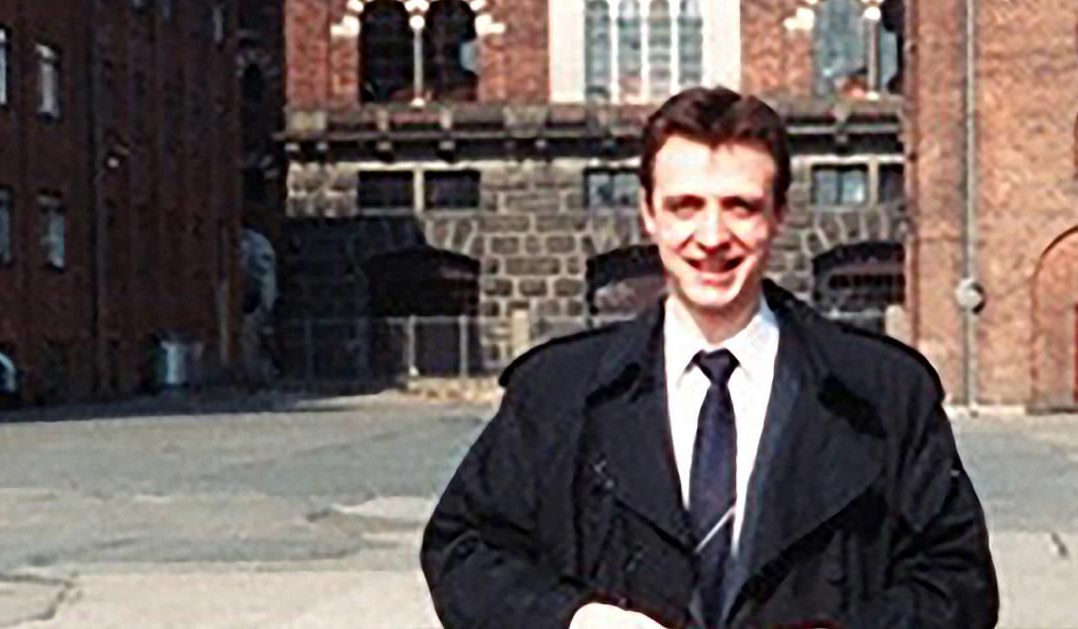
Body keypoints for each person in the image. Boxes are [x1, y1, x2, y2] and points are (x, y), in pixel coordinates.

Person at [421, 87, 998, 629]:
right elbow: (463, 549)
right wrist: (574, 620)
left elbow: (960, 580)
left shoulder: (883, 392)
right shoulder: (556, 392)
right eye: (685, 206)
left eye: (741, 206)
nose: (712, 235)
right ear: (649, 213)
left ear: (779, 215)